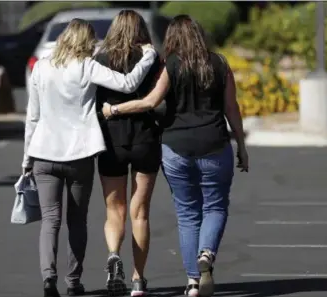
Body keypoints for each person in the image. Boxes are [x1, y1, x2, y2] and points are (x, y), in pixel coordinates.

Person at [102, 15, 249, 297]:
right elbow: (232, 108)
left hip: (175, 148)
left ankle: (193, 282)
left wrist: (114, 110)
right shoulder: (219, 63)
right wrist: (241, 145)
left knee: (187, 214)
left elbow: (150, 102)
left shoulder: (171, 65)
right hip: (215, 144)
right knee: (215, 207)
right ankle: (206, 253)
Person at [21, 18, 157, 297]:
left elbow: (32, 117)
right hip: (79, 153)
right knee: (77, 220)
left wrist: (26, 160)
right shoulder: (87, 66)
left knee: (50, 220)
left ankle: (49, 278)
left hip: (43, 153)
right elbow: (128, 83)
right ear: (85, 41)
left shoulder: (41, 68)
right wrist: (148, 56)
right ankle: (73, 282)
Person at [94, 10, 162, 297]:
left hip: (112, 141)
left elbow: (94, 103)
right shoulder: (152, 58)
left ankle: (113, 255)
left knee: (114, 209)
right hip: (145, 139)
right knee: (141, 212)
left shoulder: (100, 60)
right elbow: (160, 100)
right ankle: (138, 279)